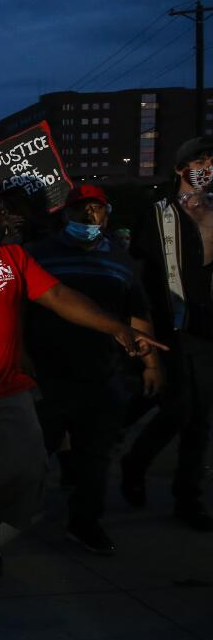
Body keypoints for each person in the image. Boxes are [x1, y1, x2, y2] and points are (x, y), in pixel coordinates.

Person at [0, 174, 162, 611]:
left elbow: (58, 295)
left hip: (7, 390)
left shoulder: (13, 255)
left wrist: (117, 327)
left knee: (25, 471)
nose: (6, 215)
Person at [27, 184, 159, 555]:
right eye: (80, 210)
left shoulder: (119, 259)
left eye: (96, 210)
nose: (88, 217)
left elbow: (137, 313)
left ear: (107, 214)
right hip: (48, 375)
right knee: (33, 454)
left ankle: (85, 522)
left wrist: (150, 362)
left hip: (102, 374)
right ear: (65, 215)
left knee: (95, 457)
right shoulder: (39, 255)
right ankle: (4, 517)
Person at [122, 137, 213, 531]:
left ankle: (187, 497)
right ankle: (135, 462)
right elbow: (139, 274)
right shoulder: (157, 214)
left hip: (208, 328)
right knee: (177, 409)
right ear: (180, 168)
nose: (207, 167)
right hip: (169, 327)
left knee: (201, 418)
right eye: (199, 160)